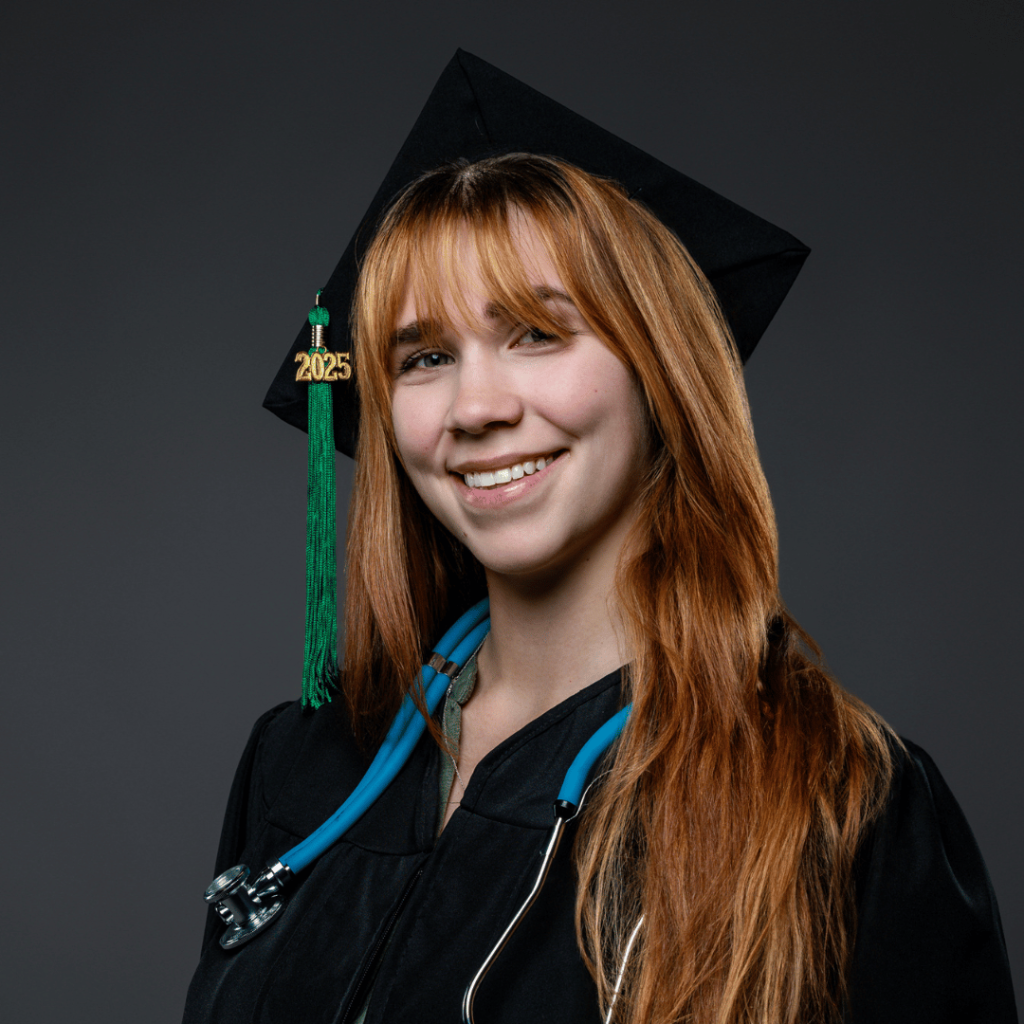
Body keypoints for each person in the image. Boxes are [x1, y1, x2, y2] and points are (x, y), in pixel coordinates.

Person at [184, 54, 1016, 1024]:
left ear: (658, 372)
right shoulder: (301, 767)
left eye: (536, 332)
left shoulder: (837, 800)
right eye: (425, 356)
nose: (477, 407)